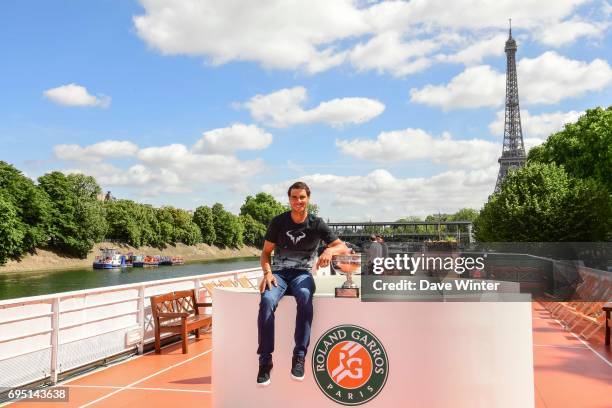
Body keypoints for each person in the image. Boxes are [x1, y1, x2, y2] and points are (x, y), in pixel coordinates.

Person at [257, 182, 349, 386]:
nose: (298, 201)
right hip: (278, 274)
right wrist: (268, 273)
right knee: (266, 301)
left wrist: (329, 251)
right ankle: (265, 362)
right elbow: (265, 253)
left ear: (308, 198)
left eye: (302, 197)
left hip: (302, 274)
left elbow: (342, 247)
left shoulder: (316, 223)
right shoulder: (278, 222)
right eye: (294, 197)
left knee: (306, 297)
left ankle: (299, 357)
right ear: (289, 199)